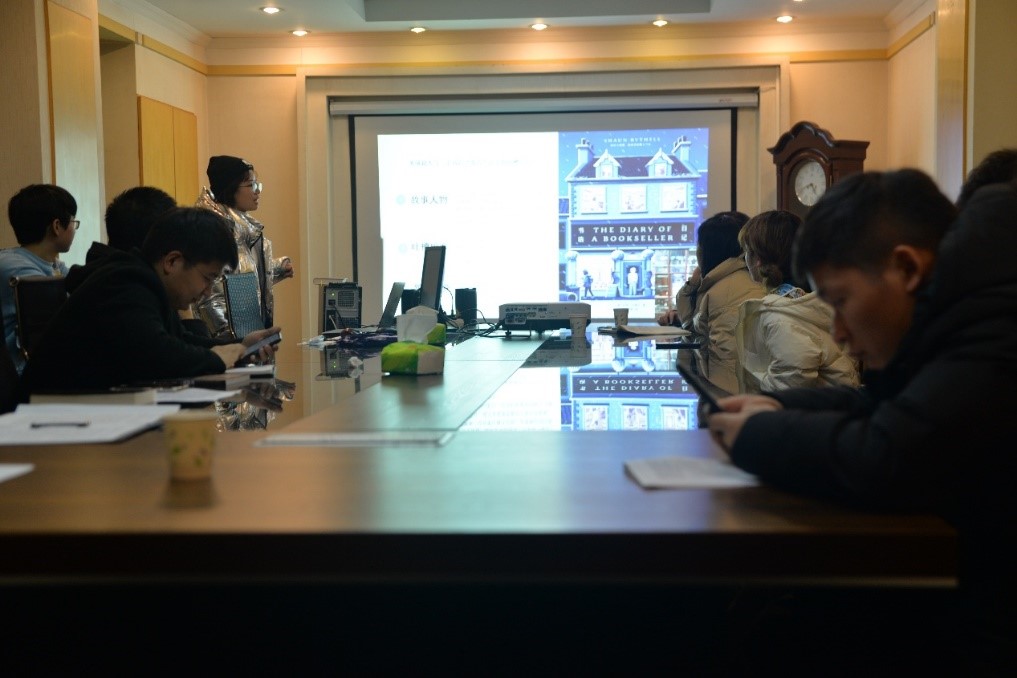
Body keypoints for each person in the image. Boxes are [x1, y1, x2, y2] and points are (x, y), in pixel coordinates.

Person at [707, 169, 1017, 671]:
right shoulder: (960, 306)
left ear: (906, 268)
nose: (838, 331)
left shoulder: (996, 324)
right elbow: (890, 407)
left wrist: (759, 435)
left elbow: (890, 454)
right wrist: (782, 407)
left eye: (841, 301)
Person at [22, 207, 280, 394]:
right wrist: (218, 358)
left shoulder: (148, 283)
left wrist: (240, 346)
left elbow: (179, 340)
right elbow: (156, 355)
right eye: (207, 278)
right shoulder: (126, 283)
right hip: (44, 425)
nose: (207, 291)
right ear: (172, 262)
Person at [735, 210, 858, 393]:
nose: (745, 258)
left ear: (758, 259)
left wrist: (757, 395)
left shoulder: (780, 315)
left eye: (746, 252)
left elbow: (789, 385)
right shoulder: (807, 298)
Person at [657, 211, 764, 392]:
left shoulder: (727, 292)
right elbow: (695, 329)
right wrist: (692, 286)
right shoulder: (723, 282)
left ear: (709, 251)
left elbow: (727, 367)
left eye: (698, 246)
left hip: (732, 400)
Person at [195, 156, 293, 338]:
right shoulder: (214, 231)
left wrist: (278, 268)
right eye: (251, 185)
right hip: (230, 344)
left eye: (258, 185)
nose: (258, 191)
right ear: (230, 188)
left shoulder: (243, 229)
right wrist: (231, 341)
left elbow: (242, 274)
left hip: (247, 339)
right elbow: (209, 297)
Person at [0, 184, 78, 374]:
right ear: (57, 226)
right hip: (17, 377)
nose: (75, 229)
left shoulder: (53, 264)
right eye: (73, 222)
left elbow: (79, 283)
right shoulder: (14, 266)